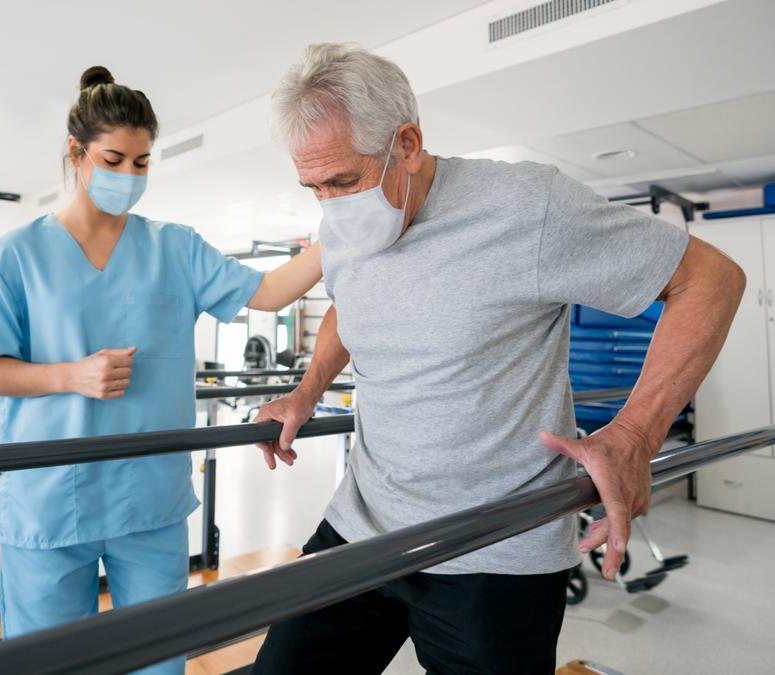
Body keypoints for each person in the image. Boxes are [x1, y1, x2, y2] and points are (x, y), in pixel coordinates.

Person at [250, 43, 745, 674]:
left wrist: (636, 435)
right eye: (312, 186)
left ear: (405, 143)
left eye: (344, 181)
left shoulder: (524, 207)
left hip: (496, 548)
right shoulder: (342, 224)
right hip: (363, 524)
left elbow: (712, 281)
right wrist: (308, 389)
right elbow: (354, 303)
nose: (330, 203)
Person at [0, 66, 322, 675]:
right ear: (76, 153)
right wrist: (68, 376)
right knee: (43, 664)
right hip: (49, 498)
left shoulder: (173, 247)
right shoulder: (14, 254)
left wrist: (341, 226)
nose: (130, 175)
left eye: (143, 162)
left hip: (147, 498)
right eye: (115, 158)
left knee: (158, 661)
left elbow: (269, 290)